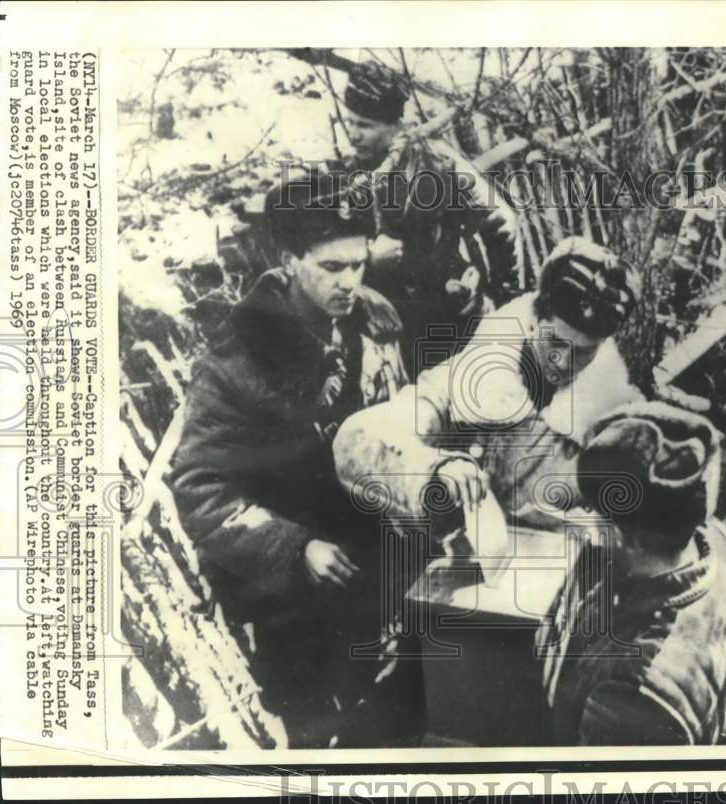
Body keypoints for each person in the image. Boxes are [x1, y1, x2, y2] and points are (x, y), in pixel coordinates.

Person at [170, 178, 408, 748]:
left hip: (365, 557)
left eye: (359, 264)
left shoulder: (370, 323)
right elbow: (201, 490)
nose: (350, 281)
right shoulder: (235, 361)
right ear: (287, 260)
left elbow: (392, 422)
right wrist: (296, 546)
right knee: (315, 730)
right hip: (284, 590)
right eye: (331, 266)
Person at [332, 236, 646, 529]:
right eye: (557, 344)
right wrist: (435, 469)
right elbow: (357, 438)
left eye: (583, 352)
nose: (564, 363)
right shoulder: (477, 373)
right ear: (535, 319)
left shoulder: (611, 400)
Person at [535, 401, 726, 745]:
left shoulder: (630, 696)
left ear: (619, 534)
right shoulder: (717, 543)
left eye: (592, 511)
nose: (584, 518)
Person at [334, 60, 518, 372]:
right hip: (380, 329)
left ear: (394, 125)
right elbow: (321, 251)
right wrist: (367, 257)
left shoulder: (439, 164)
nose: (353, 135)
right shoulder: (347, 178)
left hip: (445, 315)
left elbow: (500, 222)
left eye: (364, 125)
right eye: (349, 123)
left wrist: (493, 289)